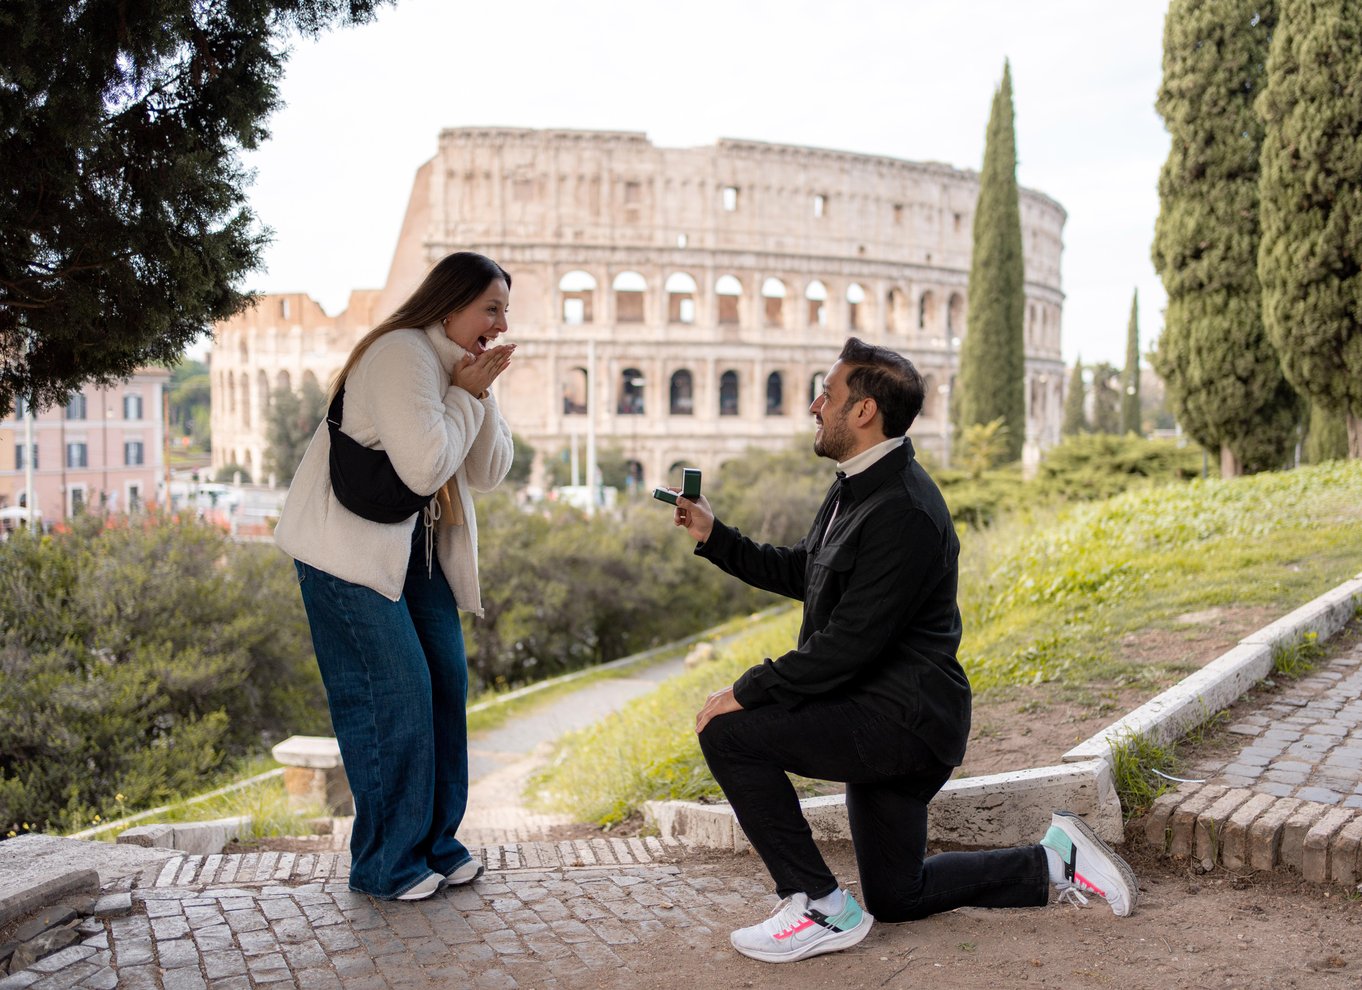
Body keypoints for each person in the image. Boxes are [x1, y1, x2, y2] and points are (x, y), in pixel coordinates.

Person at [670, 337, 1137, 963]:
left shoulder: (905, 511)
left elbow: (848, 645)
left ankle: (817, 904)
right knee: (897, 893)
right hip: (877, 712)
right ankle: (1055, 860)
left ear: (864, 411)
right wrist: (714, 535)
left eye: (827, 394)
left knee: (729, 732)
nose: (814, 405)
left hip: (902, 724)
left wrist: (745, 690)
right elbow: (806, 572)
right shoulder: (855, 484)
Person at [275, 251, 516, 901]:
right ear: (451, 304)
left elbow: (488, 471)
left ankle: (435, 844)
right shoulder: (400, 354)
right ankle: (385, 862)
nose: (500, 324)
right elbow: (424, 468)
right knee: (395, 693)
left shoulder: (460, 367)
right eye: (490, 309)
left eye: (504, 311)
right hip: (345, 551)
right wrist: (464, 396)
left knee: (444, 684)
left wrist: (479, 393)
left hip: (417, 549)